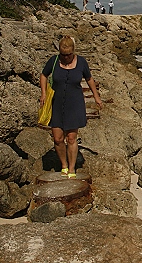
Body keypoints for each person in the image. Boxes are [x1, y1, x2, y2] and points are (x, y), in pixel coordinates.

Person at [39, 36, 102, 178]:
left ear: (73, 51)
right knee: (58, 138)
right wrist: (43, 93)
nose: (66, 58)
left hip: (74, 104)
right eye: (63, 55)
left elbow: (89, 79)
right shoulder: (54, 61)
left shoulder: (81, 62)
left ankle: (72, 168)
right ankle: (64, 165)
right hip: (56, 103)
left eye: (68, 55)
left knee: (72, 138)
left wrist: (96, 97)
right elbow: (43, 75)